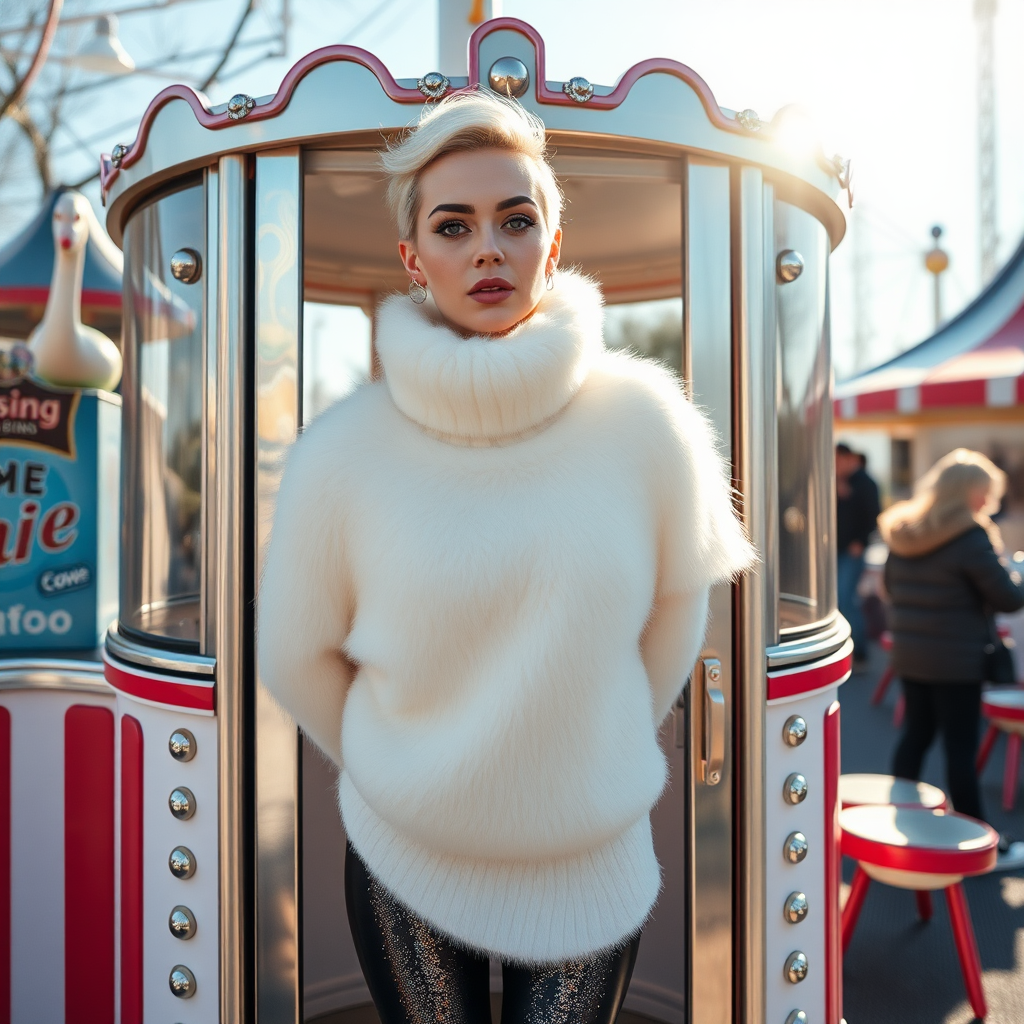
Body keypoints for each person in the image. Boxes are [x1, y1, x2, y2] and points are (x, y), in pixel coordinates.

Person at [257, 90, 755, 1024]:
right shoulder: (344, 451)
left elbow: (676, 609)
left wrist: (583, 753)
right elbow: (293, 653)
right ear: (414, 259)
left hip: (585, 860)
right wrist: (403, 770)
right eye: (455, 226)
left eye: (515, 219)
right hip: (406, 858)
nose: (488, 247)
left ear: (551, 244)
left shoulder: (648, 424)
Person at [881, 448, 1024, 870]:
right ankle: (979, 846)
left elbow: (891, 587)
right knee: (960, 749)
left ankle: (896, 825)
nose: (987, 502)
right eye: (984, 494)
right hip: (956, 659)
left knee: (916, 735)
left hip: (911, 654)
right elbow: (1008, 597)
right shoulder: (971, 536)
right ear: (969, 493)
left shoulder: (904, 529)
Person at [836, 442, 880, 662]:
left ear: (847, 458)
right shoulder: (835, 482)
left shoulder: (865, 483)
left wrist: (860, 542)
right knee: (838, 601)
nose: (833, 465)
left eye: (836, 460)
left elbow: (873, 515)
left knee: (846, 600)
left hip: (851, 552)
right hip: (835, 551)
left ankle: (859, 651)